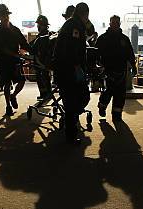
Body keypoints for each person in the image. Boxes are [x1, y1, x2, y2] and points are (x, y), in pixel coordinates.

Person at [53, 2, 91, 144]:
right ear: (85, 14)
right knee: (75, 100)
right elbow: (72, 48)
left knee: (74, 101)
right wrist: (77, 66)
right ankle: (71, 135)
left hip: (65, 69)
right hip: (69, 70)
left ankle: (71, 128)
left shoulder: (72, 24)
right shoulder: (75, 26)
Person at [0, 4, 31, 117]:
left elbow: (24, 43)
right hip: (5, 62)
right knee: (7, 84)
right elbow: (1, 48)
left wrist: (32, 52)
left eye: (6, 15)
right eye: (2, 15)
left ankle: (13, 96)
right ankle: (8, 105)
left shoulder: (15, 30)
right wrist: (17, 55)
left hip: (15, 61)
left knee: (22, 81)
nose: (5, 17)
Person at [95, 15, 136, 122]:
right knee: (108, 91)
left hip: (121, 71)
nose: (115, 25)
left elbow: (130, 55)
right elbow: (95, 54)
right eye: (113, 23)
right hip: (107, 71)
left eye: (117, 23)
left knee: (120, 94)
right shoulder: (103, 38)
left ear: (119, 24)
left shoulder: (124, 39)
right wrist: (97, 68)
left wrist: (134, 67)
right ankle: (102, 106)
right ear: (110, 23)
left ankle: (117, 114)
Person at [30, 15, 53, 101]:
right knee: (45, 77)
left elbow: (33, 48)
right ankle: (46, 93)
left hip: (41, 62)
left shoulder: (42, 37)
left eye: (39, 25)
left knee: (42, 78)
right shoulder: (48, 34)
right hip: (44, 61)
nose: (38, 26)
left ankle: (45, 94)